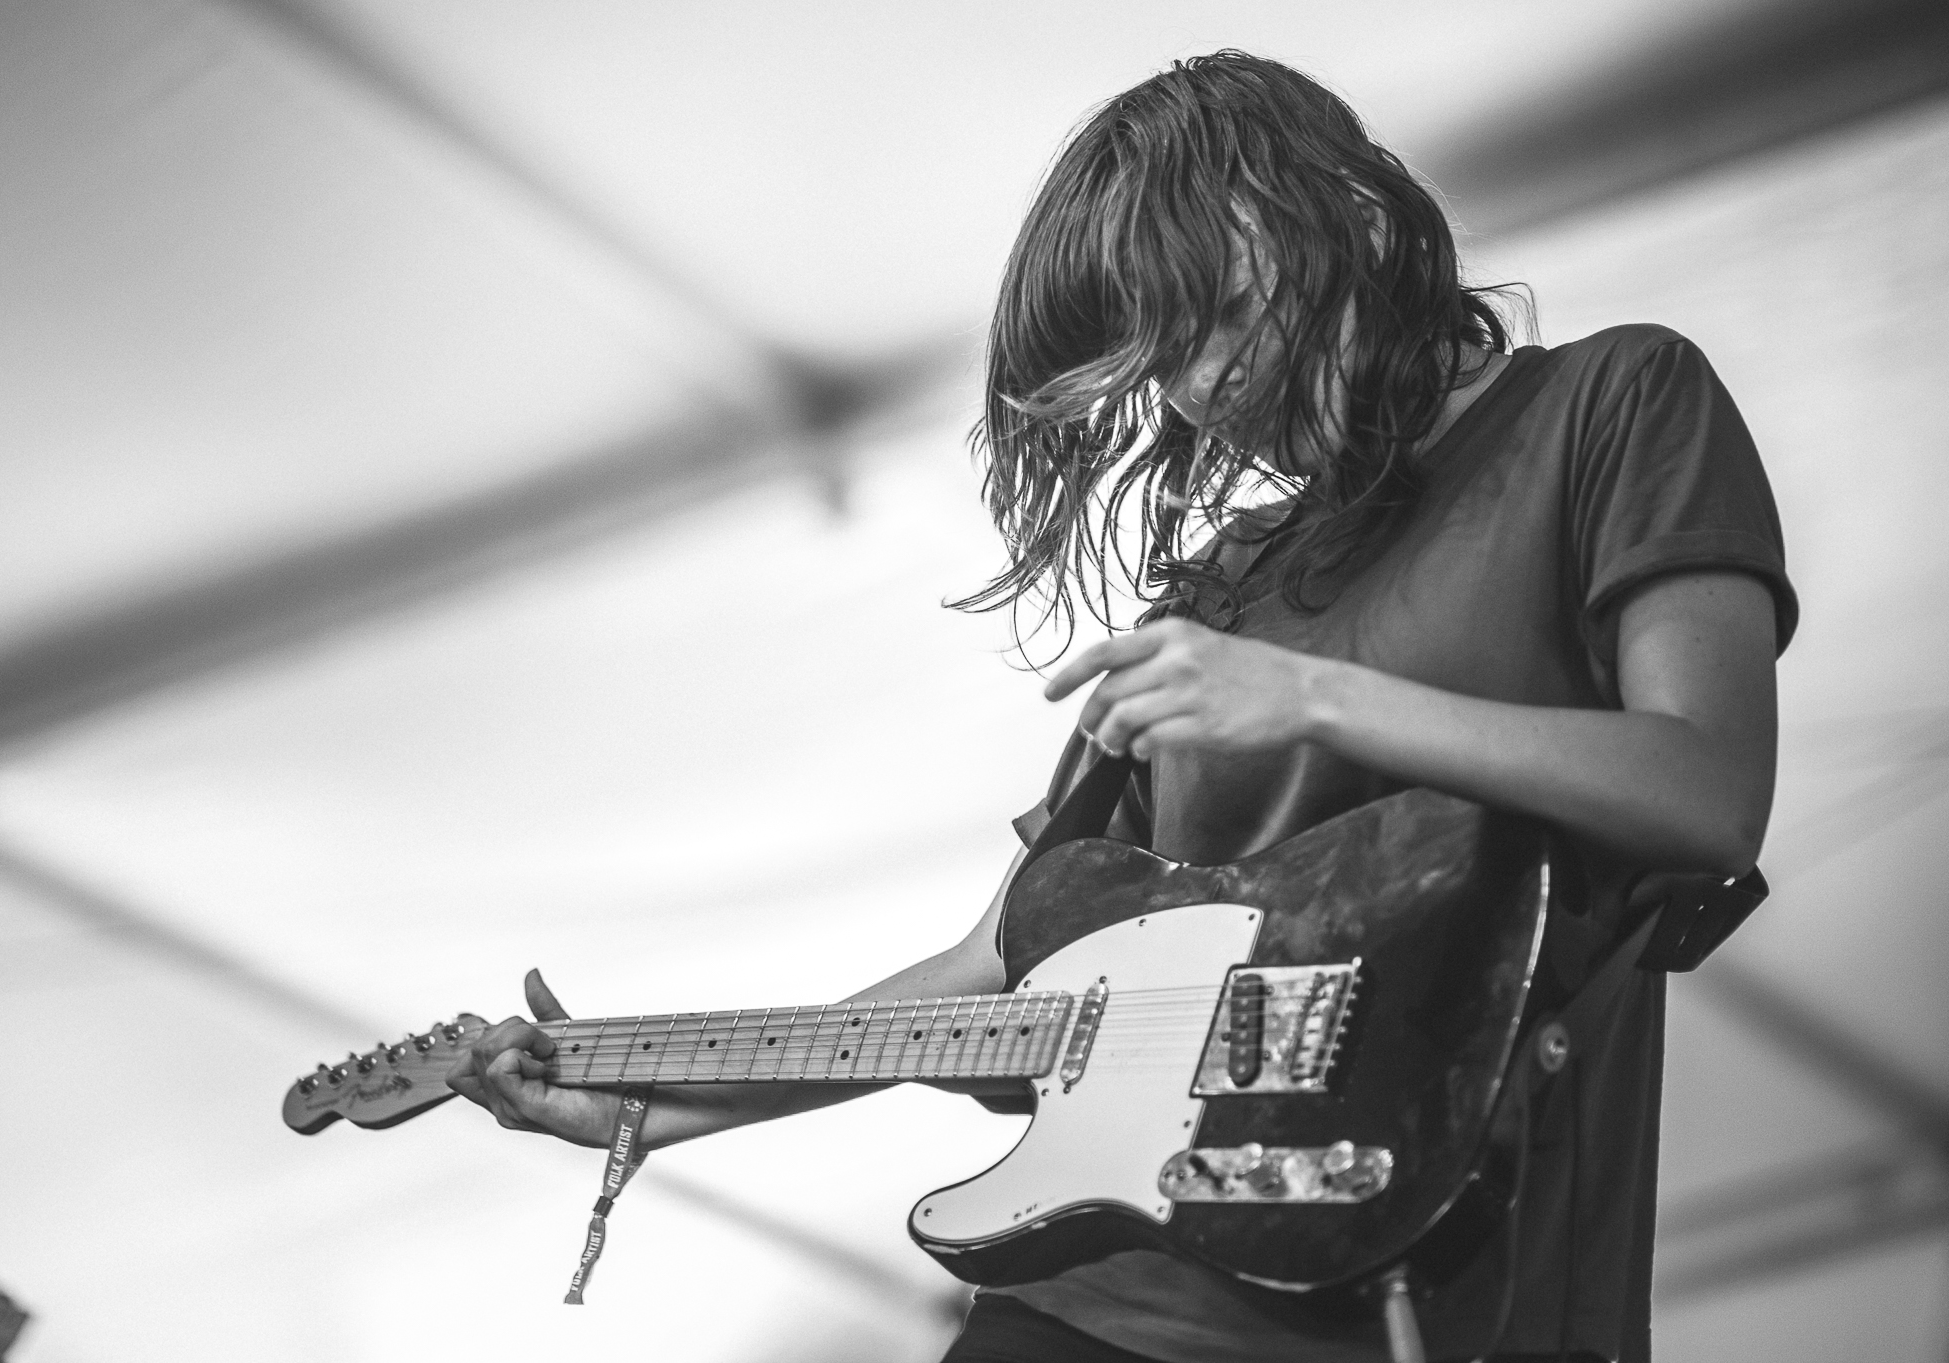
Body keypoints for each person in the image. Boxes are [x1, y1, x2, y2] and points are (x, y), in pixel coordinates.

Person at [448, 50, 1793, 1363]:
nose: (1198, 387)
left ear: (1365, 221)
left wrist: (1312, 696)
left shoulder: (1612, 402)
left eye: (1213, 317)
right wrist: (650, 1099)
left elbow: (1706, 792)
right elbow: (997, 968)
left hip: (1423, 1290)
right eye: (1162, 358)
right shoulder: (1210, 600)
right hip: (1100, 1304)